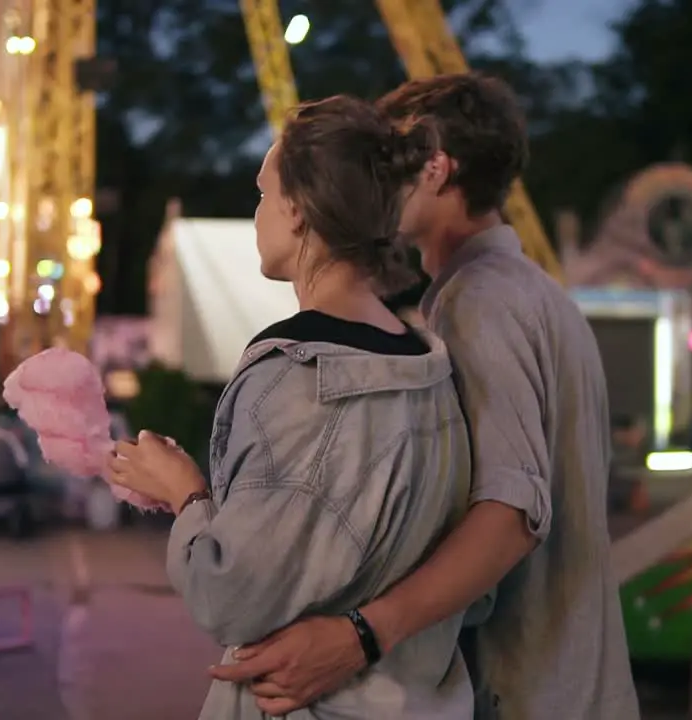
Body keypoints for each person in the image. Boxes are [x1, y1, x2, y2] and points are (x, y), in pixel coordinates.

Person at [209, 73, 642, 720]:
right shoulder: (535, 292)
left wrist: (360, 634)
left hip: (522, 692)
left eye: (399, 158)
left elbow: (510, 513)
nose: (383, 174)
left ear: (437, 169)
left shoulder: (479, 301)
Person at [105, 95, 475, 719]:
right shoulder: (431, 369)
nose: (256, 215)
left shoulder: (296, 379)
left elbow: (232, 597)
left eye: (261, 195)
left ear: (299, 210)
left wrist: (186, 493)